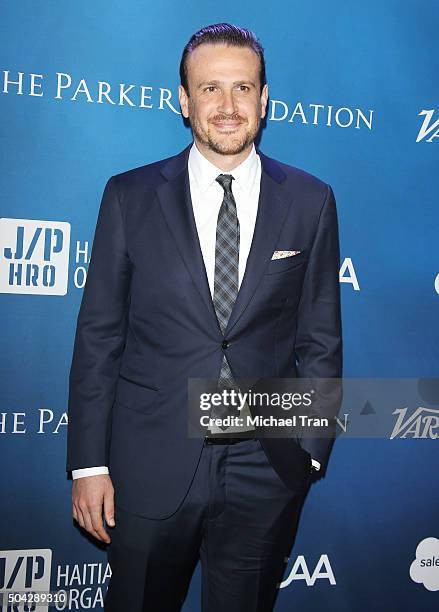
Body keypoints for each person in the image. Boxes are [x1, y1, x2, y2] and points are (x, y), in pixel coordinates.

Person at [67, 22, 342, 612]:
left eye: (242, 89)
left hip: (264, 465)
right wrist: (89, 464)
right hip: (150, 461)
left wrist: (310, 449)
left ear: (264, 101)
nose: (227, 106)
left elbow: (320, 337)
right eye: (210, 88)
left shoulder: (310, 200)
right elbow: (99, 338)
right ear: (184, 100)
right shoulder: (130, 196)